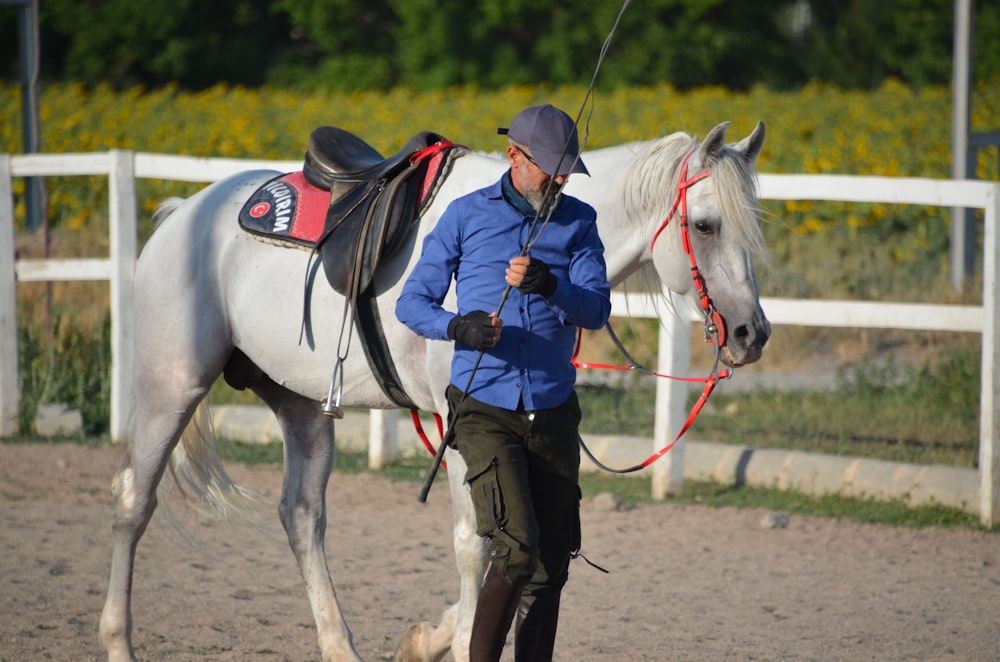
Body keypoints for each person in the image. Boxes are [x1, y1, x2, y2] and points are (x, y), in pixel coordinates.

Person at [395, 104, 611, 662]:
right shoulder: (466, 216)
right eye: (550, 167)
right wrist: (457, 326)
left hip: (554, 407)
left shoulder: (579, 222)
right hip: (482, 407)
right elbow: (411, 302)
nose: (560, 179)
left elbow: (595, 309)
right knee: (515, 551)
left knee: (552, 562)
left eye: (568, 170)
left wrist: (551, 285)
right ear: (515, 156)